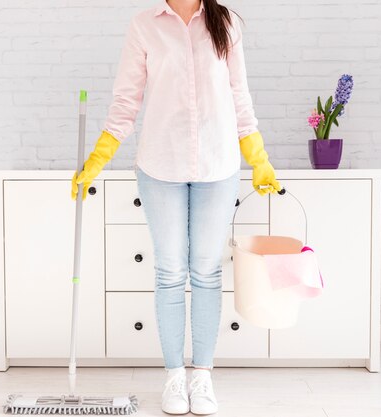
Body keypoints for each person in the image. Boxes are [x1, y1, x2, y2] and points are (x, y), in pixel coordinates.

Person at [71, 0, 281, 414]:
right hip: (159, 165)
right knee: (169, 272)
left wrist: (259, 158)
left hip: (218, 165)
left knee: (206, 271)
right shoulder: (144, 25)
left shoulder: (227, 23)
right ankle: (173, 378)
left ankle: (201, 377)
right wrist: (97, 159)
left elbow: (240, 98)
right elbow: (126, 102)